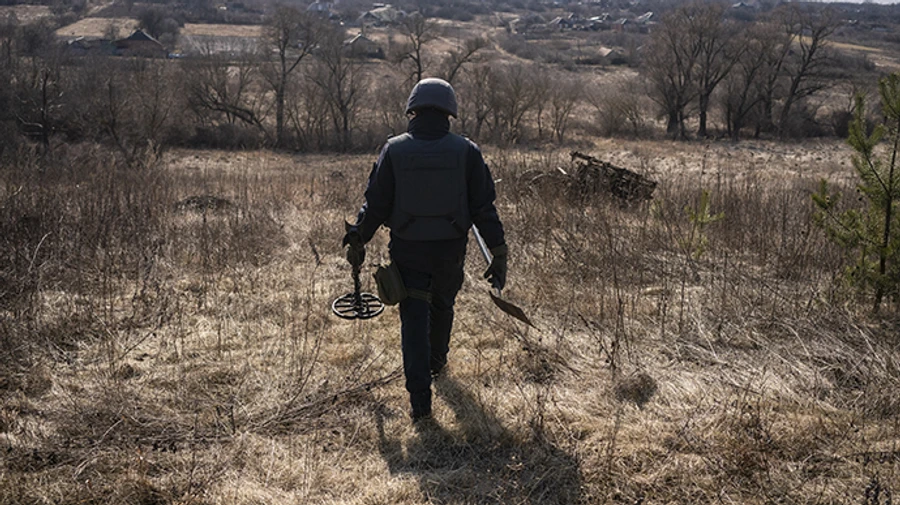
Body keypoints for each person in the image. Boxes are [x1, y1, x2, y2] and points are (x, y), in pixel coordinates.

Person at [342, 78, 507, 422]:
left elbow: (376, 204)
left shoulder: (394, 149)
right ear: (450, 112)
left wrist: (360, 235)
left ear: (412, 110)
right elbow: (484, 208)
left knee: (414, 317)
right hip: (450, 250)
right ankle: (436, 366)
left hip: (408, 249)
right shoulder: (467, 151)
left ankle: (420, 401)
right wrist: (498, 250)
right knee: (443, 304)